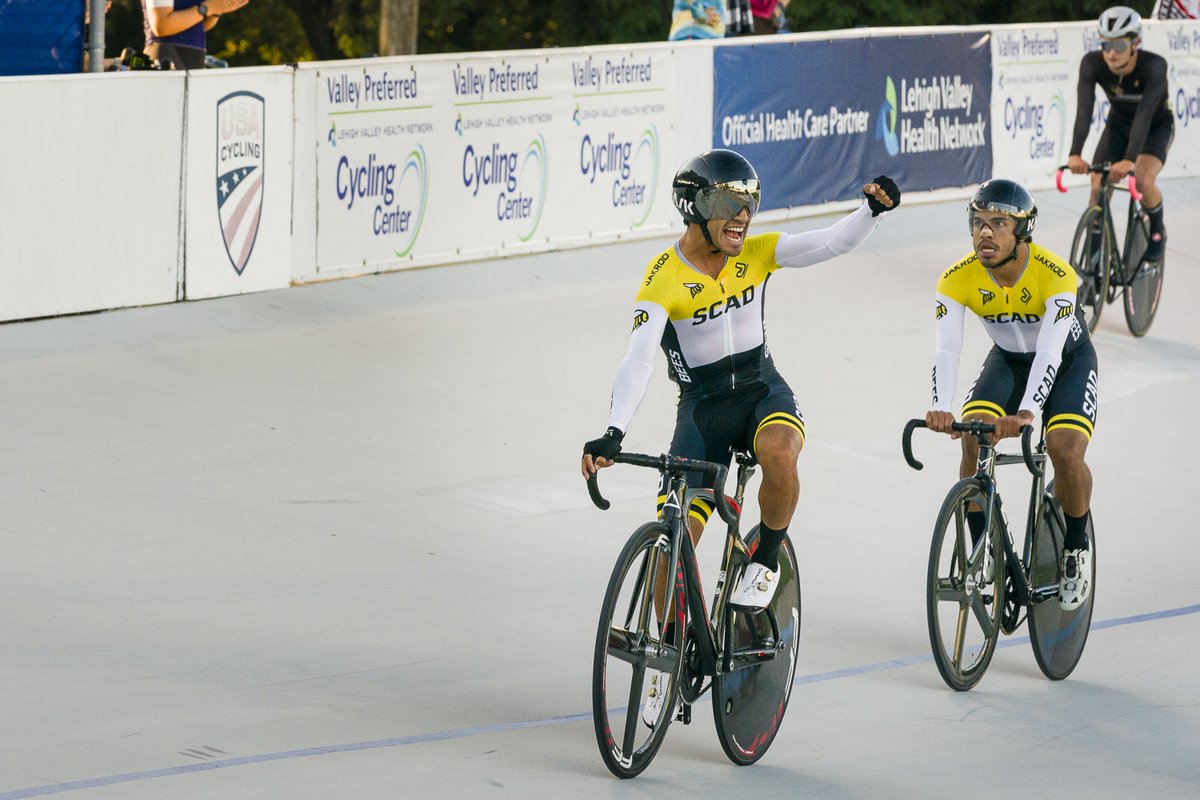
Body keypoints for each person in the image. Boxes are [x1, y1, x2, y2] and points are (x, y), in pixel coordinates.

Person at [581, 149, 899, 723]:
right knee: (670, 552)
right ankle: (668, 657)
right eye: (730, 202)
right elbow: (637, 360)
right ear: (696, 207)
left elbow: (827, 243)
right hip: (702, 413)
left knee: (782, 452)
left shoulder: (756, 252)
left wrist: (869, 213)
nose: (744, 216)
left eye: (750, 203)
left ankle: (766, 559)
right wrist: (613, 431)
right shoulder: (664, 274)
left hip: (760, 393)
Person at [925, 179, 1097, 612]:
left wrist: (1026, 413)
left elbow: (1051, 352)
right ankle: (983, 551)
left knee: (1064, 448)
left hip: (1068, 363)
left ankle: (1076, 548)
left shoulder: (1057, 275)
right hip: (1007, 361)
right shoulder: (956, 277)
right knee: (972, 436)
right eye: (977, 222)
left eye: (998, 223)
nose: (984, 233)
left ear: (1023, 231)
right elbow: (946, 348)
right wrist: (942, 406)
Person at [1066, 6, 1173, 261]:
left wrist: (1130, 160)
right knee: (1098, 184)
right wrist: (1075, 153)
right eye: (1105, 45)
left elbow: (1145, 116)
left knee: (1143, 180)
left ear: (1135, 43)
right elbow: (1085, 110)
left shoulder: (1155, 66)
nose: (1111, 54)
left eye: (1119, 46)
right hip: (1119, 124)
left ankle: (1158, 231)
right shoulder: (1091, 63)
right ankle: (1094, 258)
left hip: (1155, 126)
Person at [142, 0, 249, 70]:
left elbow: (201, 26)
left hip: (194, 58)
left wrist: (218, 8)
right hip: (165, 55)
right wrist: (208, 8)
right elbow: (161, 25)